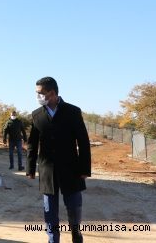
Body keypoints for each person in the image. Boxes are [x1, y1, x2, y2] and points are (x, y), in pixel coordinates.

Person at [27, 77, 91, 243]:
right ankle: (52, 239)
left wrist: (84, 169)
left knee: (74, 208)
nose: (37, 96)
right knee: (50, 211)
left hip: (71, 169)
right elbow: (32, 144)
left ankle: (76, 235)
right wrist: (30, 168)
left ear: (52, 93)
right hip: (47, 170)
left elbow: (83, 142)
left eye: (40, 93)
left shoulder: (73, 112)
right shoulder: (36, 115)